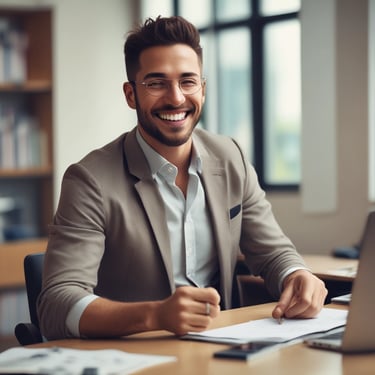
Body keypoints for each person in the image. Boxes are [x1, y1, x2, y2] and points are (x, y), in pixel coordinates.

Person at [38, 15, 327, 340]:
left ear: (202, 90)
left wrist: (296, 274)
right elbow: (57, 305)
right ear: (131, 94)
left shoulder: (231, 157)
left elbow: (273, 253)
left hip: (221, 351)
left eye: (187, 81)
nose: (176, 98)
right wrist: (156, 314)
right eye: (156, 83)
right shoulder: (89, 180)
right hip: (136, 356)